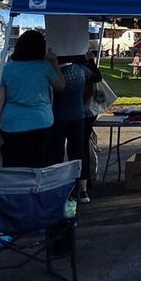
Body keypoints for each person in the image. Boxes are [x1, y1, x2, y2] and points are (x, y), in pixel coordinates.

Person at [0, 30, 64, 168]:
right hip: (41, 121)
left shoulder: (7, 69)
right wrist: (54, 62)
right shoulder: (44, 68)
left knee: (13, 165)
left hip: (11, 123)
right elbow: (61, 86)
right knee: (39, 165)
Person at [52, 50, 91, 200]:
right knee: (78, 151)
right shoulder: (80, 70)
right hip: (78, 115)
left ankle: (59, 188)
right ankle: (83, 190)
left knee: (57, 153)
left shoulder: (54, 72)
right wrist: (89, 61)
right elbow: (96, 76)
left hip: (58, 116)